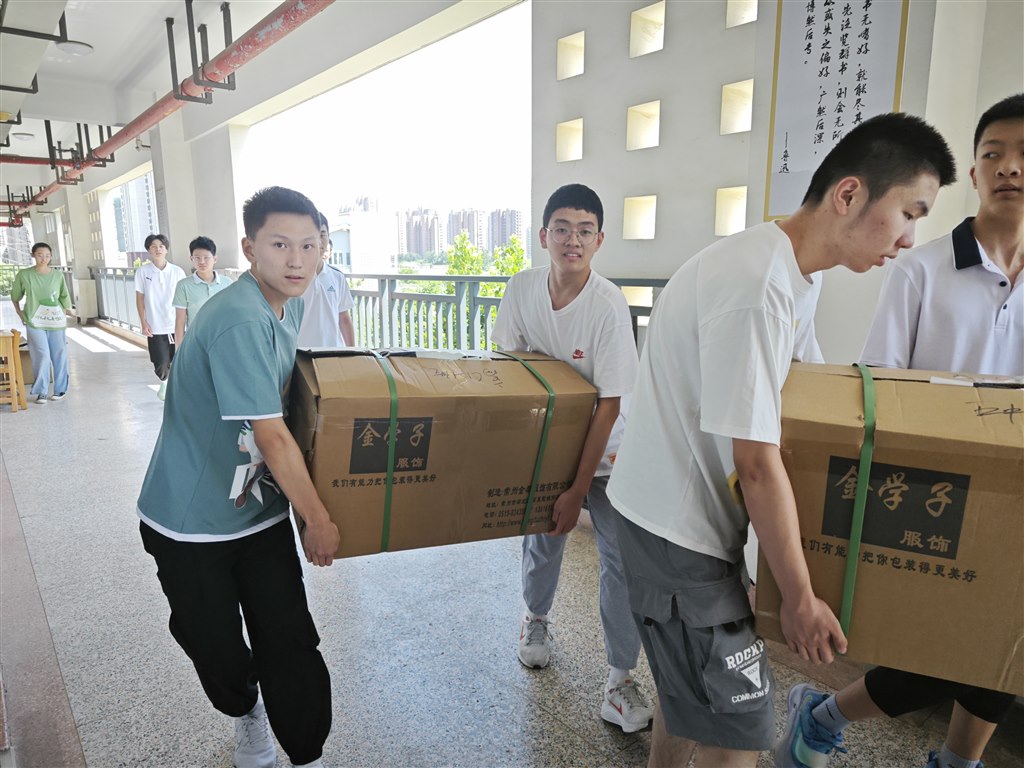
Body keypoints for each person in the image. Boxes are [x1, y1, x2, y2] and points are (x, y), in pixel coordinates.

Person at [605, 113, 956, 768]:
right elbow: (758, 462)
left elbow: (803, 406)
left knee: (692, 695)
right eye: (909, 213)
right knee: (741, 722)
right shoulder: (758, 285)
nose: (910, 239)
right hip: (675, 532)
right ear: (849, 194)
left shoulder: (795, 272)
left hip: (671, 514)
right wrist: (797, 598)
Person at [776, 94, 1022, 768]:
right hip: (935, 490)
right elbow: (878, 386)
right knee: (945, 647)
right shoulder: (921, 268)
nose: (1009, 167)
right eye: (994, 154)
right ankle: (822, 716)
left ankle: (956, 761)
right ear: (974, 173)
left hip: (1017, 493)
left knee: (1008, 637)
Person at [137, 187, 340, 768]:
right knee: (216, 646)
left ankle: (306, 750)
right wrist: (317, 518)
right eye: (280, 245)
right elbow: (271, 434)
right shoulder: (238, 317)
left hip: (256, 510)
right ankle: (246, 709)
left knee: (289, 636)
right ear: (250, 249)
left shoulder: (287, 303)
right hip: (191, 521)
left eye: (309, 246)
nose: (297, 260)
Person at [492, 183, 654, 733]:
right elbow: (510, 372)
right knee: (543, 537)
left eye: (585, 231)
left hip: (610, 452)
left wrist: (577, 490)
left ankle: (619, 680)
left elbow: (610, 405)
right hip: (547, 445)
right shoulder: (521, 289)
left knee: (621, 561)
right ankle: (535, 619)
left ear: (600, 240)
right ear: (544, 235)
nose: (573, 240)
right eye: (562, 228)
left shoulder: (608, 305)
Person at [10, 242, 73, 404]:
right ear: (33, 255)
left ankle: (60, 389)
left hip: (56, 322)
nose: (44, 259)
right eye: (40, 255)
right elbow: (15, 296)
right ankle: (42, 391)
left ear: (51, 256)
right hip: (34, 322)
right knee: (41, 355)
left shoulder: (58, 275)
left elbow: (64, 298)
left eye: (47, 256)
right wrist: (19, 313)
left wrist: (63, 316)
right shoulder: (24, 275)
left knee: (59, 355)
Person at [135, 234, 186, 400]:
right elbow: (140, 299)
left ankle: (176, 389)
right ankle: (164, 383)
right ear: (149, 250)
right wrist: (143, 322)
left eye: (161, 246)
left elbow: (185, 298)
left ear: (166, 249)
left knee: (178, 359)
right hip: (155, 325)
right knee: (161, 362)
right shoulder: (143, 272)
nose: (158, 249)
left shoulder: (177, 271)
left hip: (176, 324)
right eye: (153, 246)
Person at [295, 212, 355, 348]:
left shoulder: (337, 277)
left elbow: (344, 318)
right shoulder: (291, 276)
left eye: (322, 234)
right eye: (313, 235)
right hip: (301, 353)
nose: (318, 241)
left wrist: (352, 352)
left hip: (333, 353)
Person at [173, 235, 233, 348]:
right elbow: (180, 321)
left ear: (215, 259)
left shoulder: (227, 283)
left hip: (224, 341)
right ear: (191, 259)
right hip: (196, 343)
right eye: (197, 258)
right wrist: (179, 351)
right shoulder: (183, 285)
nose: (202, 261)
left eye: (206, 257)